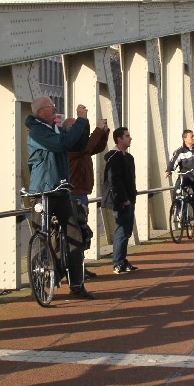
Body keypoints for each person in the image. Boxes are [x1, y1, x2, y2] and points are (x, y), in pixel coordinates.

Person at [25, 96, 94, 299]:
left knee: (75, 236)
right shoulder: (37, 132)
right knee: (41, 235)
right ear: (40, 111)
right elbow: (62, 144)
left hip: (61, 190)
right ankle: (40, 283)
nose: (55, 109)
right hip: (43, 191)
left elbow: (78, 145)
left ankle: (77, 284)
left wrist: (84, 123)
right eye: (51, 107)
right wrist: (79, 121)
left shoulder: (54, 129)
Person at [65, 115, 109, 278]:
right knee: (77, 232)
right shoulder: (70, 147)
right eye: (74, 127)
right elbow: (87, 147)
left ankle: (79, 267)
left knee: (82, 231)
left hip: (81, 193)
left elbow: (97, 147)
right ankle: (75, 270)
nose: (80, 130)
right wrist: (98, 130)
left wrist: (103, 133)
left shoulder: (81, 149)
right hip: (74, 194)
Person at [165, 129, 194, 240]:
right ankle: (178, 208)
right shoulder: (180, 151)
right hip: (185, 176)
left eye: (193, 136)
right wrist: (169, 170)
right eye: (191, 136)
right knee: (177, 189)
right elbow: (173, 162)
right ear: (185, 138)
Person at [102, 127, 138, 273]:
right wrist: (123, 199)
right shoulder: (113, 157)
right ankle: (117, 262)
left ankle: (122, 260)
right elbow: (114, 180)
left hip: (130, 198)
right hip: (121, 201)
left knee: (127, 231)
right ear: (119, 139)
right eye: (127, 136)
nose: (130, 138)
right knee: (121, 230)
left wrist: (132, 196)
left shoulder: (129, 157)